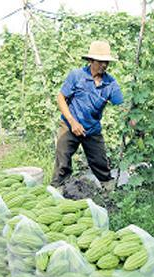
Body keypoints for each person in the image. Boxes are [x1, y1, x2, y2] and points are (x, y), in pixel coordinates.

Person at [51, 40, 123, 191]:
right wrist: (72, 122)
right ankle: (57, 190)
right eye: (100, 61)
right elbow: (60, 98)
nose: (104, 65)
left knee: (100, 162)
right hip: (70, 124)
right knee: (62, 160)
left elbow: (122, 105)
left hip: (92, 128)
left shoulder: (110, 83)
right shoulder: (77, 75)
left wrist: (133, 119)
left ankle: (108, 189)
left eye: (106, 62)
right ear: (91, 61)